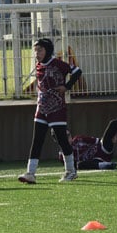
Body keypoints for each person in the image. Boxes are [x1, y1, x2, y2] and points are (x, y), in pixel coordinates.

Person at [18, 38, 82, 183]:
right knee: (37, 140)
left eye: (40, 50)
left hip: (57, 108)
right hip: (41, 108)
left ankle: (71, 170)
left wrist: (67, 86)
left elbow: (77, 71)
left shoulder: (58, 63)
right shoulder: (38, 65)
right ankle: (30, 173)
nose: (37, 53)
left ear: (47, 51)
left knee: (62, 140)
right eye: (35, 50)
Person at [64, 94, 117, 170]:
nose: (68, 137)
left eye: (68, 135)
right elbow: (73, 165)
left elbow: (97, 141)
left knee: (112, 124)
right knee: (79, 165)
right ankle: (106, 165)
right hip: (93, 162)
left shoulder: (78, 139)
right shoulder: (62, 154)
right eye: (65, 136)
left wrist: (110, 138)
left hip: (103, 150)